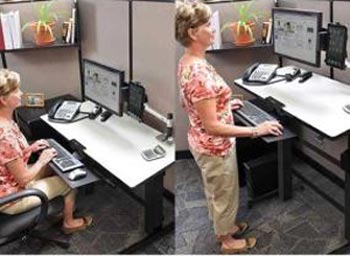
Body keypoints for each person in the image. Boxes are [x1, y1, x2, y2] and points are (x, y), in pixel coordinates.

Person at [176, 2, 283, 254]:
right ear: (193, 33)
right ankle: (226, 242)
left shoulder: (188, 61)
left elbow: (190, 102)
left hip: (201, 142)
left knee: (216, 191)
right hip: (214, 146)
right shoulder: (199, 73)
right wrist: (257, 130)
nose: (213, 30)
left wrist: (223, 105)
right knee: (224, 194)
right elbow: (213, 126)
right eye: (207, 25)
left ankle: (224, 228)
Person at [0, 69, 92, 234]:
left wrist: (31, 148)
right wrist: (42, 159)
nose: (21, 93)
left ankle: (60, 208)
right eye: (16, 91)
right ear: (3, 100)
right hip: (11, 198)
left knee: (54, 167)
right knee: (69, 182)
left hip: (8, 182)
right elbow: (23, 179)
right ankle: (69, 223)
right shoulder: (4, 135)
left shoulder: (6, 121)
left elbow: (9, 158)